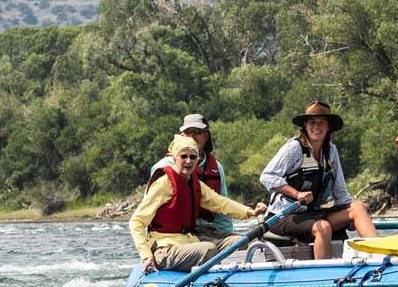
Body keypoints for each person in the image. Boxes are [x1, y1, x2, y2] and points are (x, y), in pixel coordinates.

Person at [129, 135, 267, 273]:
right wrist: (146, 256)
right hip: (164, 248)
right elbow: (137, 221)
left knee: (240, 241)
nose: (188, 161)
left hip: (189, 241)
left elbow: (220, 203)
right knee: (208, 249)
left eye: (193, 157)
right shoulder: (163, 184)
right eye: (184, 156)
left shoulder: (194, 183)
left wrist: (251, 212)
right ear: (175, 158)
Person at [259, 101, 376, 259]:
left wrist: (350, 218)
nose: (317, 127)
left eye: (322, 123)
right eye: (312, 122)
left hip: (312, 214)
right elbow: (267, 176)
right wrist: (296, 193)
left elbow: (340, 193)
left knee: (358, 208)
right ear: (305, 125)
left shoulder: (331, 151)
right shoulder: (295, 148)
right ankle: (325, 275)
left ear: (328, 127)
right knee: (324, 227)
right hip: (282, 216)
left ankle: (379, 257)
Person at [149, 113, 233, 242]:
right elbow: (147, 213)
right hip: (175, 235)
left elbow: (223, 211)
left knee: (241, 242)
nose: (192, 137)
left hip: (207, 231)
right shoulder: (163, 167)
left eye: (197, 132)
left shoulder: (216, 167)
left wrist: (227, 237)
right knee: (207, 249)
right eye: (188, 132)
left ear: (206, 136)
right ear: (181, 136)